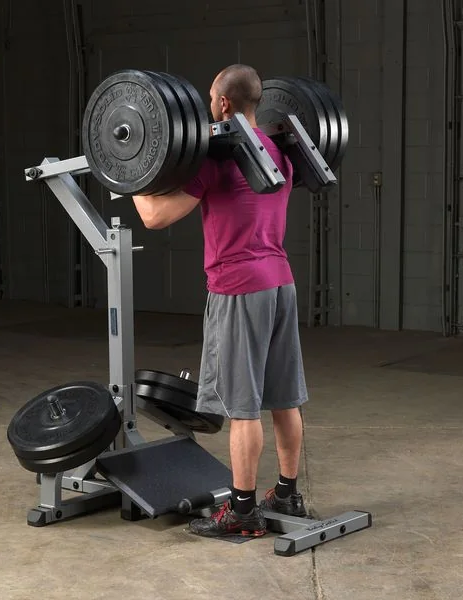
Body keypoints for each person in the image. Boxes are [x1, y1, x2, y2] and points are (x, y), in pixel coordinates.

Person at [132, 64, 308, 538]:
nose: (210, 106)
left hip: (239, 288)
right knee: (284, 398)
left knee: (242, 406)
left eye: (212, 98)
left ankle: (243, 511)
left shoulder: (218, 160)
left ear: (224, 104)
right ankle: (288, 492)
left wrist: (127, 171)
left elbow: (154, 216)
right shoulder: (282, 150)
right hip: (280, 283)